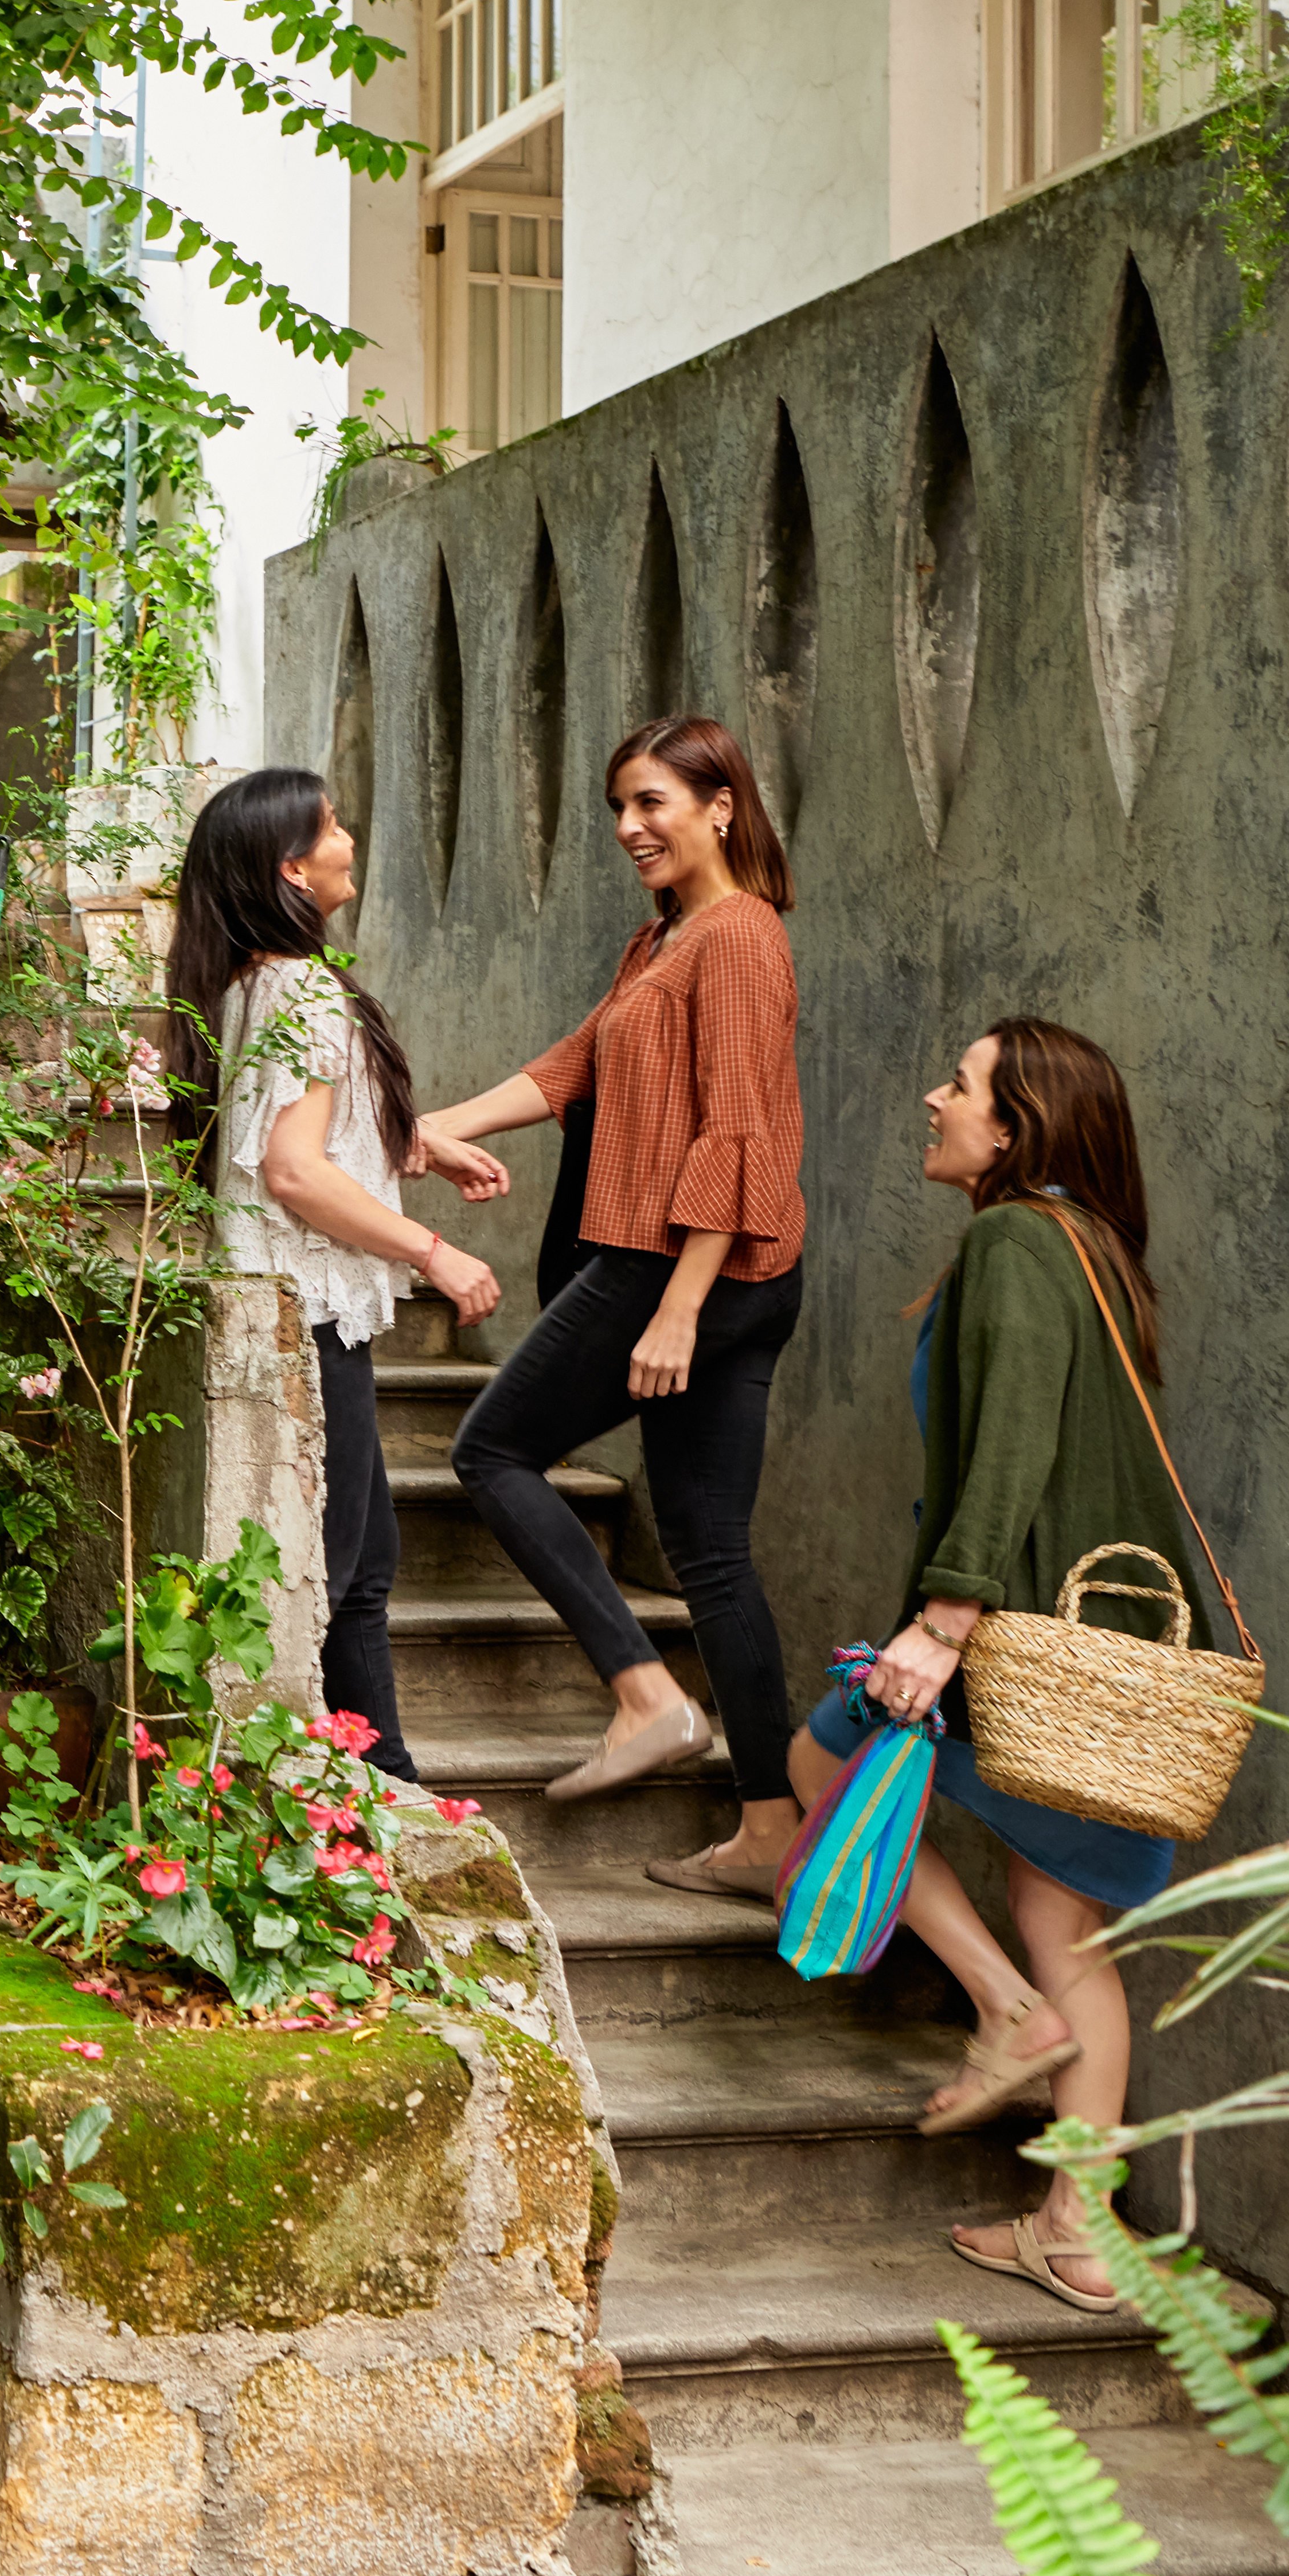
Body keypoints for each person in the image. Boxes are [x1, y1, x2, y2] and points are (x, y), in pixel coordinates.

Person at [786, 1016, 1219, 2315]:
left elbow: (1014, 1440)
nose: (935, 1098)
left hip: (1022, 1627)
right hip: (1105, 1645)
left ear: (1016, 1127)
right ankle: (1081, 2233)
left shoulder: (1019, 1240)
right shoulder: (1094, 1250)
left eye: (960, 1085)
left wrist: (945, 1619)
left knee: (821, 1757)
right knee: (1065, 1919)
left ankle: (1003, 2014)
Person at [415, 717, 807, 1902]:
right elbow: (575, 1064)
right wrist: (432, 1128)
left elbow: (735, 1135)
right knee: (710, 1550)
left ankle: (646, 1697)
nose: (631, 828)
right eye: (618, 809)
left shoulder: (737, 939)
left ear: (723, 806)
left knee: (494, 1450)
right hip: (730, 1272)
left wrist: (679, 1306)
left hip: (679, 1265)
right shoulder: (665, 940)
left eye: (653, 803)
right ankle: (772, 1826)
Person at [163, 768, 513, 1772]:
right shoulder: (301, 990)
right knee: (344, 1574)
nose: (348, 838)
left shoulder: (243, 986)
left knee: (355, 1566)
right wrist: (433, 1251)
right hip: (308, 1309)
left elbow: (294, 1141)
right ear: (290, 866)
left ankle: (375, 1782)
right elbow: (294, 1169)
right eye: (332, 827)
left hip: (280, 1306)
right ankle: (369, 1791)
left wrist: (418, 1145)